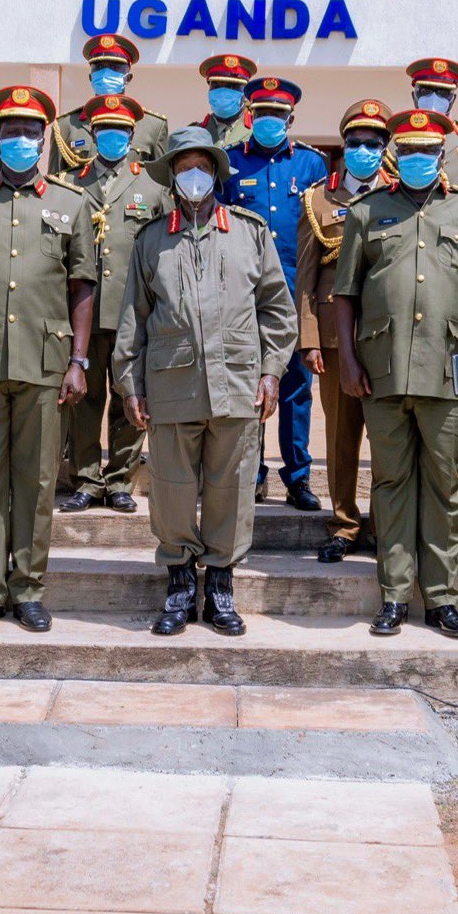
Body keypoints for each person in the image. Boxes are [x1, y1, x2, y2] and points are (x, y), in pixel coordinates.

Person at [115, 128, 297, 636]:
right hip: (171, 386)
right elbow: (133, 316)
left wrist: (271, 372)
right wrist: (129, 384)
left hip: (238, 384)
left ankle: (219, 582)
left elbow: (278, 312)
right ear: (172, 176)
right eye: (182, 166)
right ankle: (178, 580)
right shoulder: (152, 239)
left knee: (232, 486)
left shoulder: (250, 231)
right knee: (171, 488)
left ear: (215, 172)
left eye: (201, 165)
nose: (192, 175)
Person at [334, 107, 458, 639]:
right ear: (394, 155)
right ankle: (393, 595)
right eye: (407, 152)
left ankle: (442, 599)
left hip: (449, 371)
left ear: (442, 155)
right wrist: (347, 357)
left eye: (428, 152)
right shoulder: (366, 212)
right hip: (381, 372)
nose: (418, 160)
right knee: (390, 484)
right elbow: (346, 293)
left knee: (444, 485)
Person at [0, 86, 94, 633]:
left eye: (31, 132)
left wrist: (79, 359)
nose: (21, 140)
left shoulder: (72, 203)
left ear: (45, 138)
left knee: (36, 480)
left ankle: (28, 587)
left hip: (45, 361)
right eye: (11, 131)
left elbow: (83, 286)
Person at [222, 74, 330, 509]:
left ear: (291, 117)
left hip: (296, 295)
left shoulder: (312, 165)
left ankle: (298, 478)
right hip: (245, 298)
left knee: (296, 390)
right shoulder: (229, 162)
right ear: (250, 114)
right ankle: (252, 474)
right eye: (261, 113)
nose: (269, 120)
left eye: (277, 114)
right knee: (249, 387)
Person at [55, 94, 166, 514]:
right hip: (82, 310)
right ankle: (85, 478)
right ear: (93, 133)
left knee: (128, 396)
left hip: (131, 310)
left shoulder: (152, 187)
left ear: (132, 135)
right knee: (83, 398)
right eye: (104, 129)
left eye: (120, 130)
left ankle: (120, 479)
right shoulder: (69, 184)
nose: (112, 136)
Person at [297, 100, 393, 562]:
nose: (363, 151)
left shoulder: (399, 194)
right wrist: (309, 339)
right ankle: (344, 522)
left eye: (373, 144)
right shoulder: (319, 199)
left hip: (388, 336)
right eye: (354, 143)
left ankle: (384, 523)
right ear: (343, 147)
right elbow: (306, 275)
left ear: (385, 148)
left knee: (388, 434)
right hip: (335, 337)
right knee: (340, 436)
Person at [50, 33, 169, 172]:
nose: (106, 72)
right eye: (99, 67)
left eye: (115, 67)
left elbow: (161, 188)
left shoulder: (152, 126)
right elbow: (56, 185)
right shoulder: (66, 127)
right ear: (90, 77)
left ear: (128, 78)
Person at [403, 58, 458, 190]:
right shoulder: (396, 143)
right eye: (425, 91)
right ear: (413, 96)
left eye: (443, 93)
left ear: (453, 99)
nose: (433, 99)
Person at [190, 52, 258, 150]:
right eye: (216, 86)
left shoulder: (258, 133)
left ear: (245, 92)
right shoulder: (194, 133)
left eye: (232, 86)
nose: (223, 92)